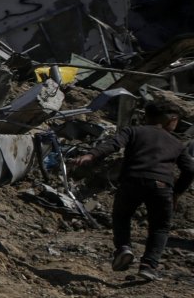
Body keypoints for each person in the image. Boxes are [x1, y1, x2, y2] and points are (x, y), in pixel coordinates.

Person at [76, 105, 193, 280]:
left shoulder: (134, 131)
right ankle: (148, 265)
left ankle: (124, 248)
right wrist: (176, 193)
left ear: (146, 117)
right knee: (160, 227)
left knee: (122, 216)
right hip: (161, 186)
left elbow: (113, 144)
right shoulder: (176, 143)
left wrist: (91, 155)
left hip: (132, 181)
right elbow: (190, 170)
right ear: (171, 120)